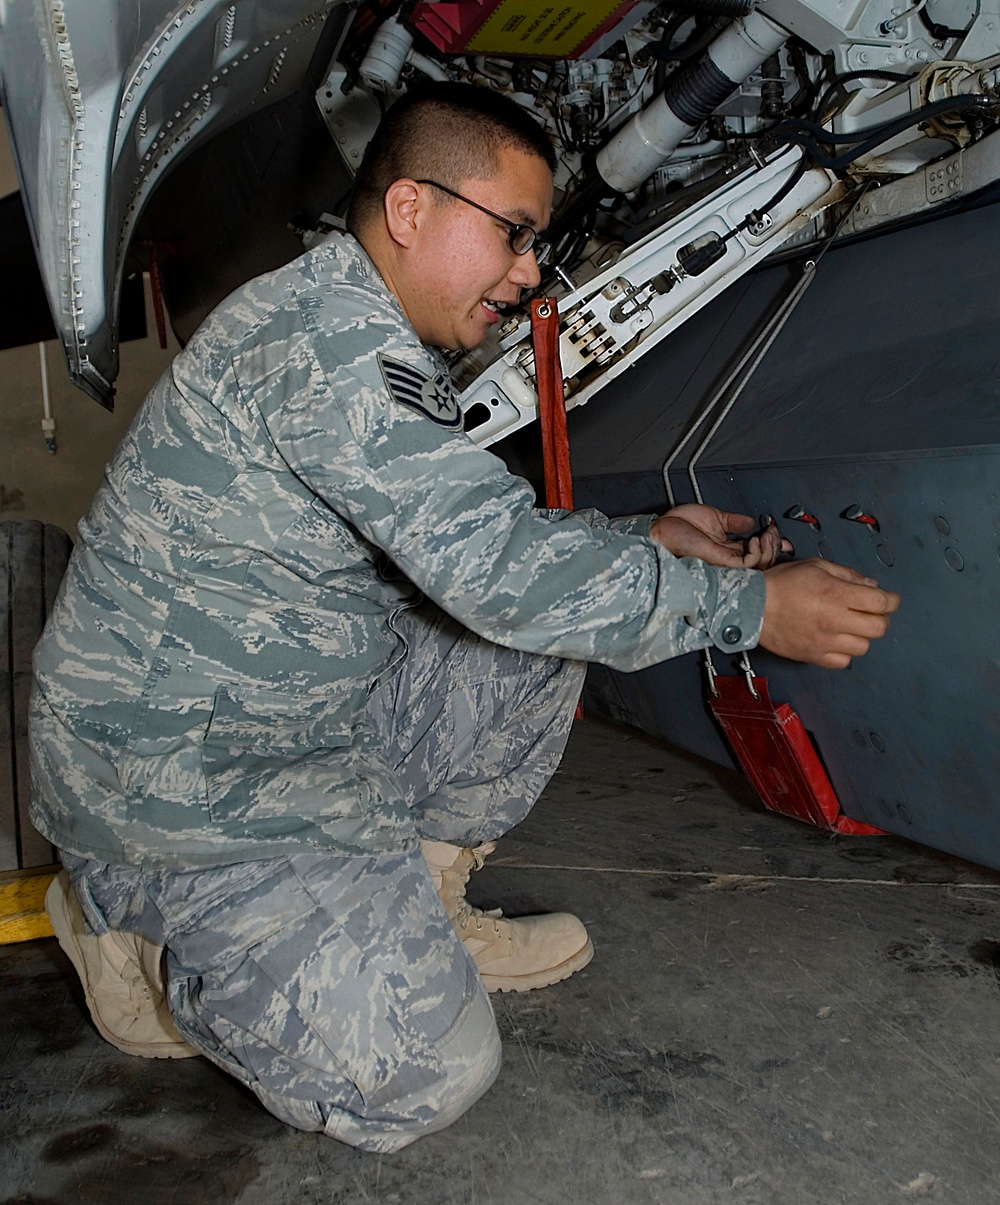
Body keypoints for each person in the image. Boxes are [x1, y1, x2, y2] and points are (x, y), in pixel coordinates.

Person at [29, 82, 899, 1152]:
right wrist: (749, 605)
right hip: (180, 787)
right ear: (409, 210)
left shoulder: (364, 328)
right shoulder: (328, 345)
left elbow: (482, 554)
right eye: (515, 234)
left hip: (288, 724)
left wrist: (646, 543)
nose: (530, 270)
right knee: (422, 1071)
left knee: (546, 623)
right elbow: (496, 566)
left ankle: (417, 901)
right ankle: (144, 938)